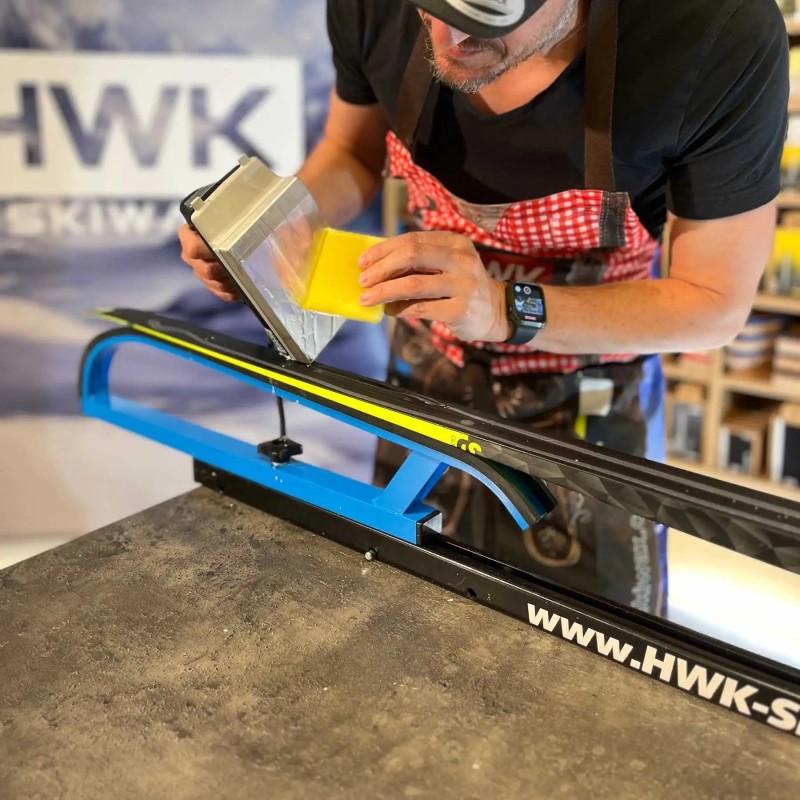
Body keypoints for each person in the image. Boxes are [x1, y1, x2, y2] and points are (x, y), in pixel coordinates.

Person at [179, 0, 789, 614]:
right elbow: (353, 152)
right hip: (427, 366)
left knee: (579, 645)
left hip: (588, 393)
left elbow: (712, 304)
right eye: (428, 10)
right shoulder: (374, 8)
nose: (447, 40)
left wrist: (501, 309)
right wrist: (272, 233)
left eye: (484, 18)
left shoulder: (712, 33)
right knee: (404, 612)